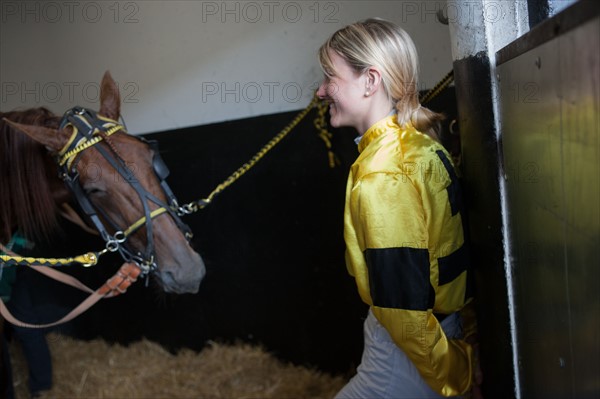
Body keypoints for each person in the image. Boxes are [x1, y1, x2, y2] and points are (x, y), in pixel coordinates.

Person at [316, 19, 482, 398]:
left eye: (330, 77)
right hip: (435, 336)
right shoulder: (419, 143)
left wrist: (456, 372)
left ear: (370, 81)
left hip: (408, 353)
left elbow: (403, 309)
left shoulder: (383, 173)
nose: (321, 90)